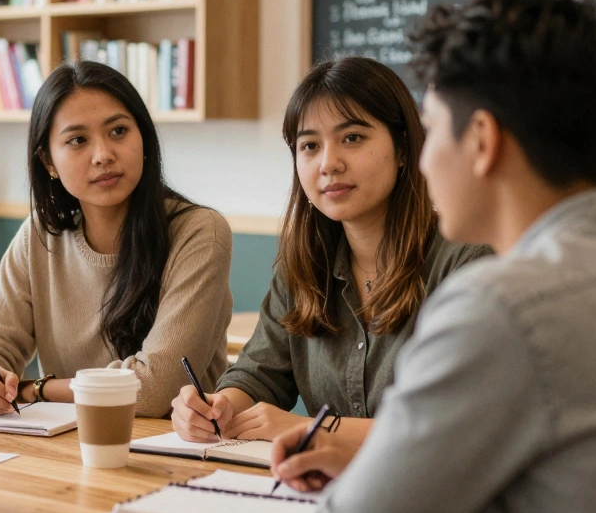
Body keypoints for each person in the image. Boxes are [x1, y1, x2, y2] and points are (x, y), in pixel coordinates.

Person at [269, 0, 596, 513]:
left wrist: (381, 480)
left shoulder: (499, 307)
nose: (421, 161)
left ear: (482, 142)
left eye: (431, 130)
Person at [170, 56, 488, 450]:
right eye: (309, 145)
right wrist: (217, 409)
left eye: (352, 138)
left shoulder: (465, 260)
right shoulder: (304, 263)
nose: (328, 163)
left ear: (403, 149)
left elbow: (451, 424)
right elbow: (258, 376)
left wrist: (309, 431)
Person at [0, 60, 233, 418]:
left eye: (118, 131)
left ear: (142, 136)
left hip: (174, 450)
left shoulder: (199, 232)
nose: (103, 155)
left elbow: (154, 391)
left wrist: (33, 389)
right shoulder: (39, 235)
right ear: (48, 161)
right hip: (67, 446)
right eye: (78, 140)